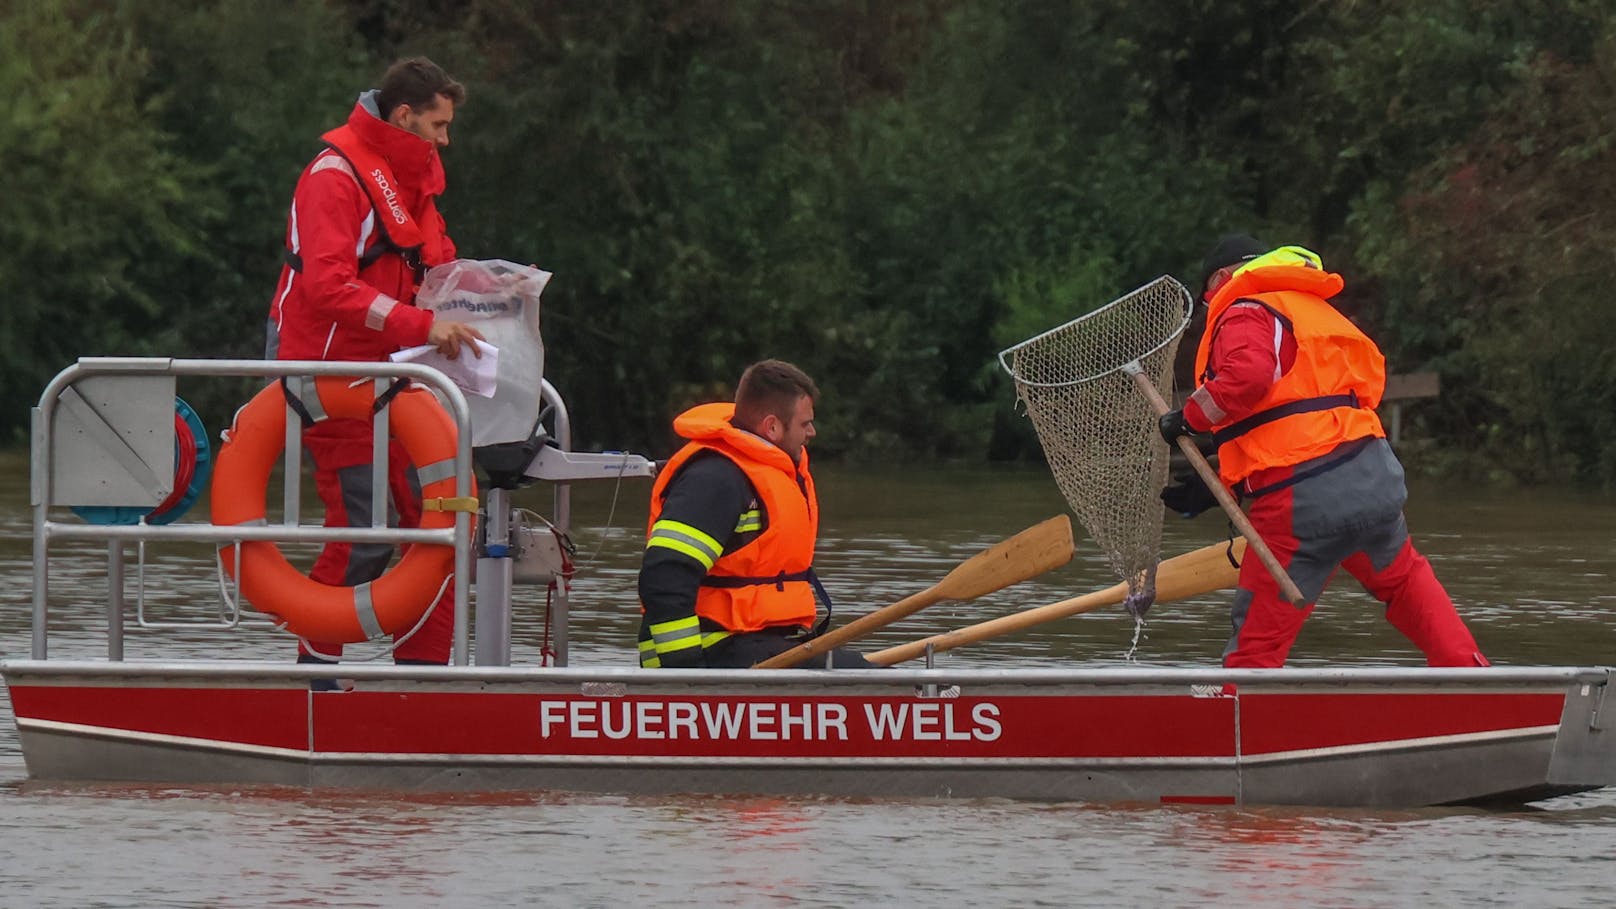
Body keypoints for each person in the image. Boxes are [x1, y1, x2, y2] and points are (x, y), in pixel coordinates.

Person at [1158, 234, 1489, 669]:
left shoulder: (1244, 308)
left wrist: (1188, 419)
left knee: (1256, 638)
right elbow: (1301, 412)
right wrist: (1225, 482)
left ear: (1222, 278)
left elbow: (1249, 378)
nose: (1208, 307)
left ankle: (1239, 709)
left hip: (1303, 501)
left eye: (1206, 298)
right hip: (1371, 476)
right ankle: (1472, 678)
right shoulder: (1310, 308)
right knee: (1406, 582)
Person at [267, 57, 485, 672]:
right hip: (330, 373)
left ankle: (422, 680)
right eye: (438, 126)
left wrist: (490, 295)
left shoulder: (411, 176)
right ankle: (315, 675)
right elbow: (329, 290)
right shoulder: (334, 177)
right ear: (404, 116)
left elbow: (436, 264)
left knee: (439, 526)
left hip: (393, 375)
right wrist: (424, 325)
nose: (446, 140)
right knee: (368, 528)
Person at [637, 359, 875, 669]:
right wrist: (685, 672)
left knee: (860, 667)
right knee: (858, 673)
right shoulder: (716, 479)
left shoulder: (759, 472)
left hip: (754, 642)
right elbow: (665, 575)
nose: (812, 432)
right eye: (805, 423)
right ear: (772, 426)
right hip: (713, 648)